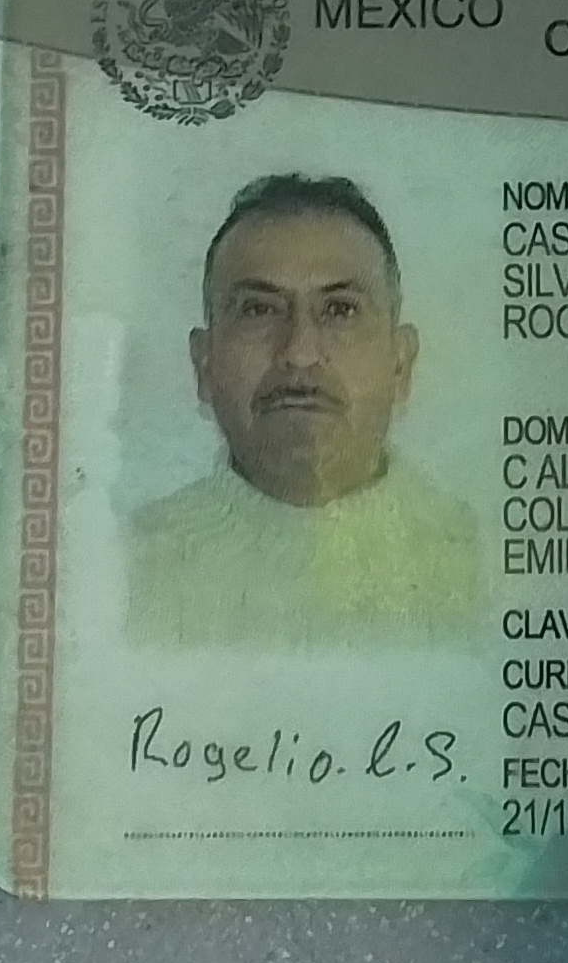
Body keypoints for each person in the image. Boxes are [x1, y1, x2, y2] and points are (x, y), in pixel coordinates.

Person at [125, 173, 481, 647]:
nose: (300, 353)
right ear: (204, 363)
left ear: (400, 362)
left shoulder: (488, 565)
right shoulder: (117, 572)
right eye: (259, 310)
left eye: (340, 310)